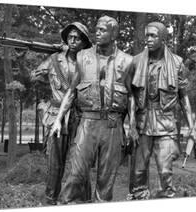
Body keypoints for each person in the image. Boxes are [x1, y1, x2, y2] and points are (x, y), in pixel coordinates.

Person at [51, 16, 134, 203]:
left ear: (113, 34)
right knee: (76, 174)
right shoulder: (83, 56)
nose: (97, 32)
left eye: (103, 30)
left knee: (106, 182)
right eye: (96, 29)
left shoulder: (127, 61)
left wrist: (132, 127)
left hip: (113, 125)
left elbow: (131, 97)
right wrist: (58, 120)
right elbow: (72, 91)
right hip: (87, 123)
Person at [127, 22, 196, 200]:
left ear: (163, 38)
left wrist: (191, 126)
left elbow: (183, 96)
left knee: (165, 170)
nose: (148, 39)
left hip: (165, 121)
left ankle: (165, 200)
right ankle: (139, 198)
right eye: (147, 35)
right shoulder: (136, 61)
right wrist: (132, 125)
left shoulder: (176, 62)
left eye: (153, 36)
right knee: (139, 170)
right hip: (143, 121)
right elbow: (131, 96)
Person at [31, 22, 92, 205]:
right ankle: (50, 201)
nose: (73, 41)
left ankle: (84, 201)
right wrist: (43, 104)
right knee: (54, 164)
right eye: (70, 37)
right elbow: (33, 77)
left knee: (80, 164)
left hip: (80, 118)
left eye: (77, 38)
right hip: (56, 116)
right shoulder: (53, 59)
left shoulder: (88, 62)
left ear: (84, 42)